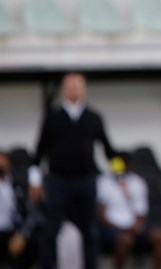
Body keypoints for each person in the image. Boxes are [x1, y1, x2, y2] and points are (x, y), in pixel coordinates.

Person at [29, 71, 119, 269]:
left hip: (87, 181)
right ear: (63, 89)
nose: (74, 89)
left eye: (78, 85)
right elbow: (38, 152)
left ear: (84, 89)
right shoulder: (52, 117)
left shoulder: (94, 117)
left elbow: (109, 151)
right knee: (51, 230)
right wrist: (34, 181)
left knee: (90, 231)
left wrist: (121, 175)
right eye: (70, 85)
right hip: (58, 181)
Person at [96, 152, 161, 269]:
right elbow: (101, 215)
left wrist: (135, 228)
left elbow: (141, 214)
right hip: (111, 228)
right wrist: (121, 229)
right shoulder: (103, 182)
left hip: (134, 228)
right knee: (124, 240)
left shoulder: (137, 182)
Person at [0, 150, 42, 269]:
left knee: (33, 242)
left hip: (13, 231)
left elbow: (31, 212)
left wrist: (23, 234)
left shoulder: (18, 183)